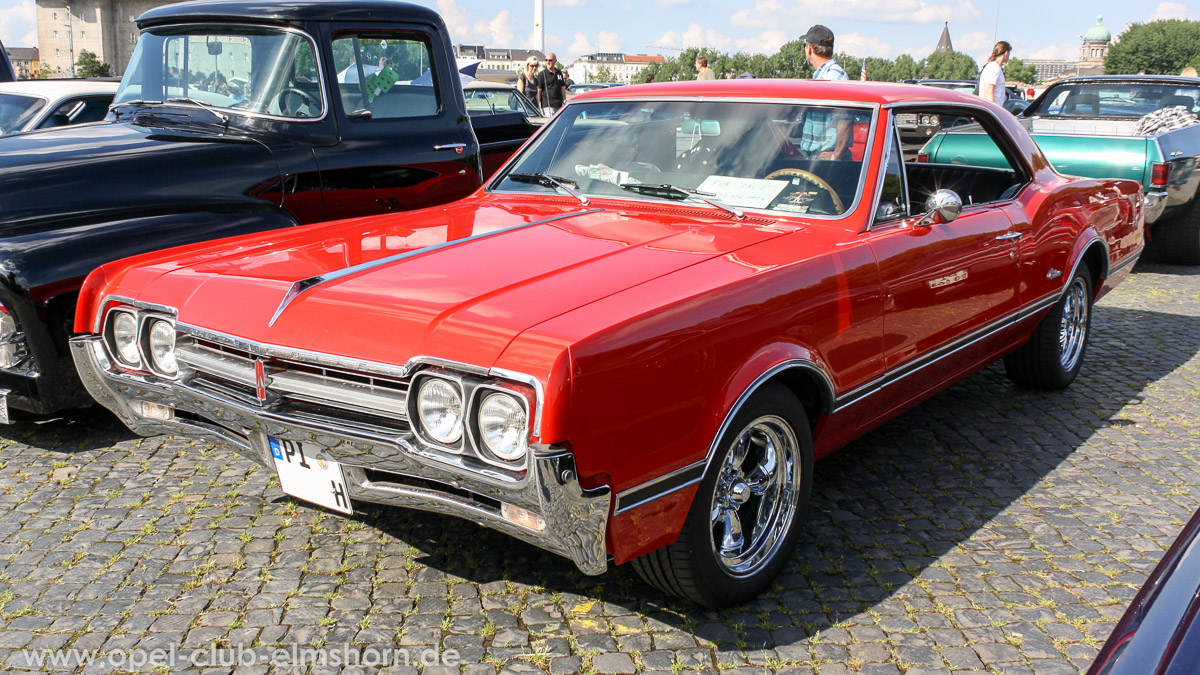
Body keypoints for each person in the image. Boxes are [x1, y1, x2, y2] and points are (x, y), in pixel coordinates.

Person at [800, 25, 850, 160]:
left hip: (827, 160)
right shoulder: (822, 76)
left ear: (809, 48)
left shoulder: (833, 77)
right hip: (815, 158)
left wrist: (835, 156)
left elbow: (844, 120)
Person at [978, 41, 1011, 107]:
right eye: (1009, 55)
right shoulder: (994, 68)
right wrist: (993, 111)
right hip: (991, 110)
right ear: (1006, 53)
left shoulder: (996, 67)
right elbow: (988, 92)